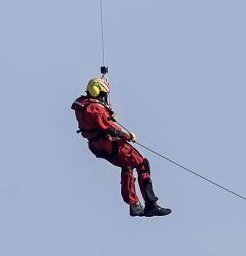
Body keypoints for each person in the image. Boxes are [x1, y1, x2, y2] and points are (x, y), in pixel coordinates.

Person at [71, 76, 171, 217]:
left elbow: (99, 120)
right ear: (96, 91)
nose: (104, 97)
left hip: (97, 145)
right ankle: (151, 205)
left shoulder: (83, 104)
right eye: (103, 94)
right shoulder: (94, 108)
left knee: (127, 166)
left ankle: (134, 204)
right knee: (142, 163)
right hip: (108, 143)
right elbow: (108, 127)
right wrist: (126, 135)